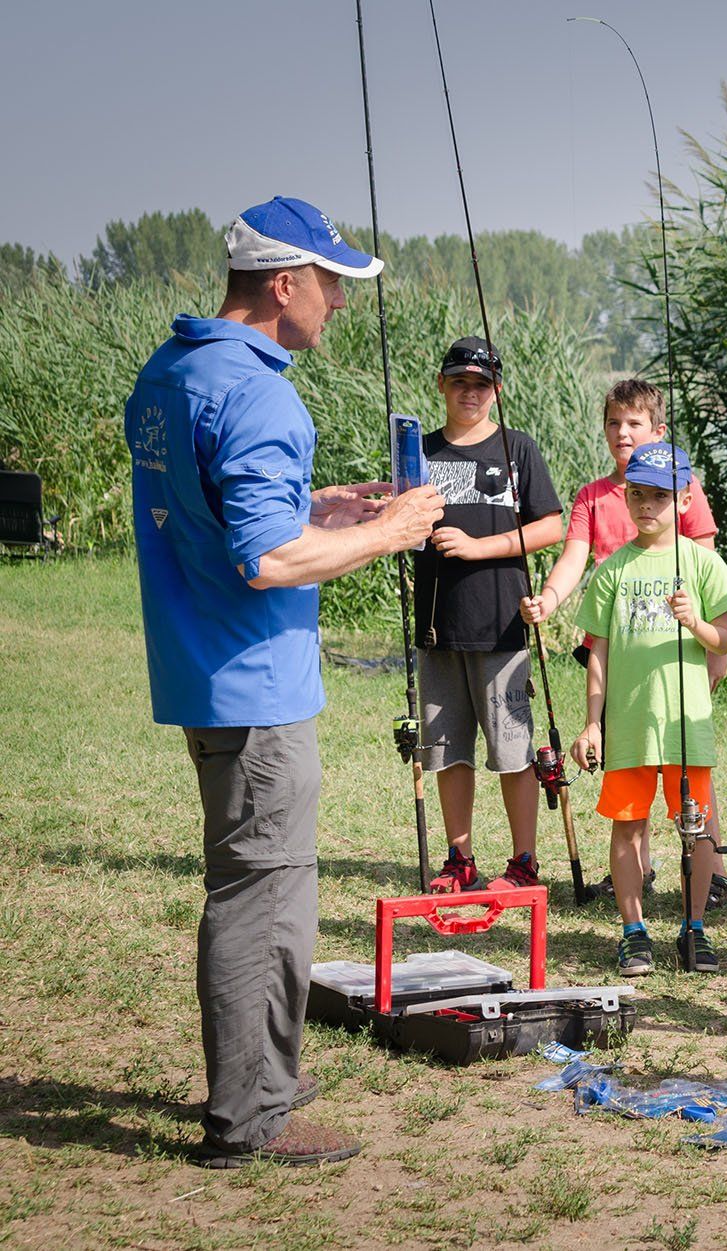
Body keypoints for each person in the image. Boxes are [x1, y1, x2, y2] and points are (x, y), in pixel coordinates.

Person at [127, 195, 443, 1166]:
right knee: (264, 900)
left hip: (201, 673)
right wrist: (388, 531)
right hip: (255, 685)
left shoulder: (171, 371)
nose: (339, 305)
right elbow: (264, 558)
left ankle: (255, 1078)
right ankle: (252, 1118)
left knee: (247, 887)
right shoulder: (264, 393)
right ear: (284, 284)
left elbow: (220, 507)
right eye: (332, 285)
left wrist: (327, 504)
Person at [520, 378, 727, 906]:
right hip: (615, 639)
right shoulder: (594, 495)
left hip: (677, 643)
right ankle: (637, 874)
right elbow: (573, 558)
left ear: (657, 430)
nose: (622, 432)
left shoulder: (685, 485)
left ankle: (712, 871)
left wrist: (710, 649)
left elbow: (705, 561)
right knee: (628, 758)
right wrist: (548, 599)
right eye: (614, 423)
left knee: (687, 760)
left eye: (633, 423)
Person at [571, 443, 727, 975]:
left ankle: (694, 929)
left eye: (661, 496)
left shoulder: (701, 562)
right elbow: (596, 655)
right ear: (625, 496)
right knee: (626, 827)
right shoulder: (611, 571)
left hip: (685, 730)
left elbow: (724, 643)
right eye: (638, 494)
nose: (647, 504)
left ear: (685, 497)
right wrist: (592, 724)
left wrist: (695, 622)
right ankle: (633, 930)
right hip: (627, 729)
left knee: (695, 829)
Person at [416, 337, 565, 893]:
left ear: (496, 391)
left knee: (511, 749)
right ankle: (461, 862)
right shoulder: (421, 451)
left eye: (481, 384)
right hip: (437, 622)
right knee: (449, 749)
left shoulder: (517, 448)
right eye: (459, 382)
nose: (469, 393)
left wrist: (481, 548)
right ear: (442, 386)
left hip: (501, 623)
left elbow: (552, 526)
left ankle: (523, 860)